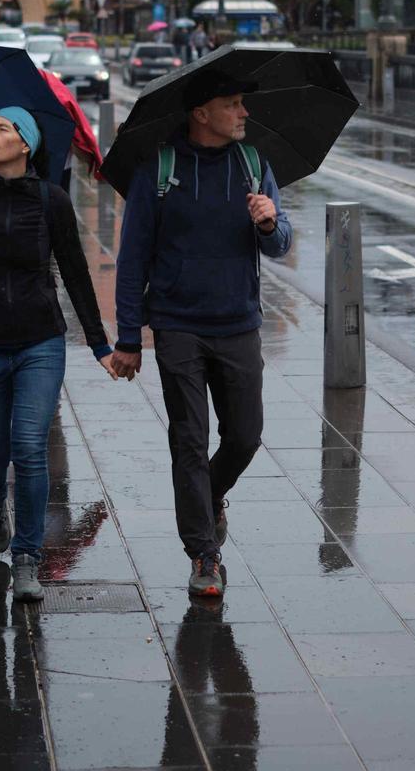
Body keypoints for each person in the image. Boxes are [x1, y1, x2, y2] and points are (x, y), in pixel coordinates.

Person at [110, 71, 292, 597]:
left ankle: (208, 497)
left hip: (238, 324)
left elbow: (280, 244)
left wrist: (267, 222)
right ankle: (204, 556)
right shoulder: (159, 171)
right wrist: (128, 338)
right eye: (232, 104)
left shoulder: (253, 166)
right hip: (177, 326)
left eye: (242, 104)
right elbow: (131, 262)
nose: (244, 113)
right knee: (188, 438)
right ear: (201, 114)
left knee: (244, 435)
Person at [0, 106, 117, 601]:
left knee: (31, 448)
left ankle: (28, 557)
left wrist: (99, 344)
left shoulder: (51, 201)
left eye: (2, 129)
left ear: (25, 144)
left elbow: (75, 272)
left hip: (40, 342)